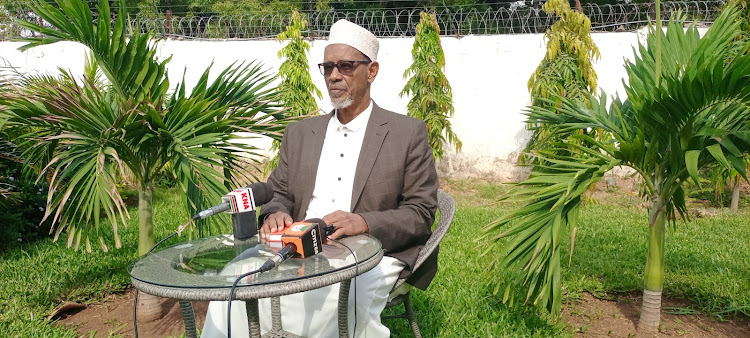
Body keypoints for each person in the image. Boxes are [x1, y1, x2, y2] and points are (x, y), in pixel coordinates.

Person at [201, 19, 439, 338]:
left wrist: (364, 223)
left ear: (372, 71)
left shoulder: (407, 133)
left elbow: (421, 214)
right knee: (235, 279)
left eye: (345, 66)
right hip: (300, 247)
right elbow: (278, 192)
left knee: (343, 296)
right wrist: (275, 213)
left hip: (373, 251)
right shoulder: (301, 133)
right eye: (327, 67)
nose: (334, 76)